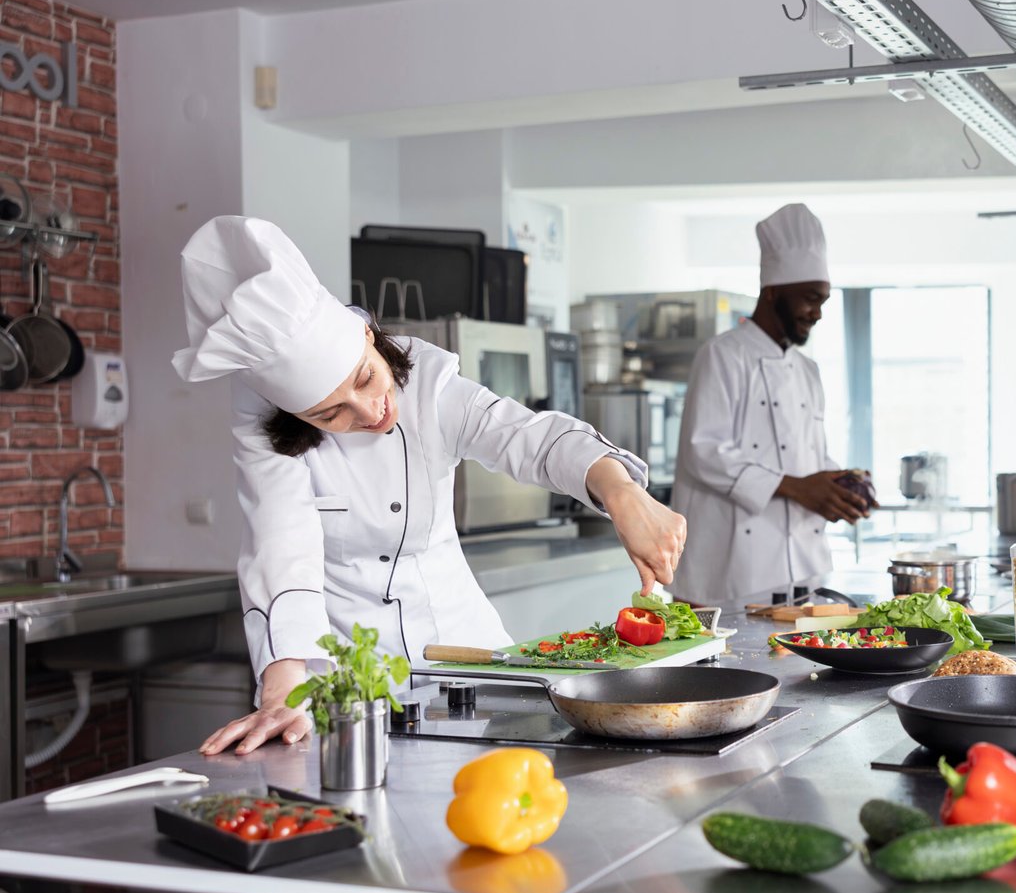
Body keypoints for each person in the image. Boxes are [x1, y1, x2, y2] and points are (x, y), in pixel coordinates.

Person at [172, 217, 687, 755]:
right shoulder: (267, 430)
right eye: (330, 414)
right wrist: (282, 693)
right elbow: (280, 548)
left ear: (368, 336)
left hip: (470, 663)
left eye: (366, 378)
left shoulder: (428, 386)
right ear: (297, 416)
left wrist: (621, 491)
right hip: (353, 686)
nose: (369, 411)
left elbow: (527, 437)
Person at [669, 203, 869, 605]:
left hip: (802, 567)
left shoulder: (807, 370)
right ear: (773, 290)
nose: (817, 313)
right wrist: (798, 488)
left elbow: (809, 454)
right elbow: (703, 451)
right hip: (728, 570)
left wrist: (842, 484)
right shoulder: (722, 355)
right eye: (810, 299)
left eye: (823, 301)